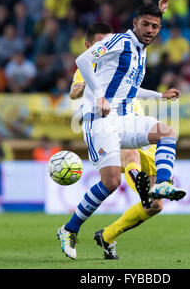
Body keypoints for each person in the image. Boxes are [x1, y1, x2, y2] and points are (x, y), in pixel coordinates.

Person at [58, 0, 186, 260]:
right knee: (111, 182)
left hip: (126, 116)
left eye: (155, 27)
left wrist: (159, 96)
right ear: (134, 23)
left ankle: (162, 184)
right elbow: (82, 60)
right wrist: (99, 95)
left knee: (168, 132)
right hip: (101, 119)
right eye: (146, 25)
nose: (151, 30)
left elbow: (129, 89)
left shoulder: (140, 48)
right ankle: (69, 229)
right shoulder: (120, 41)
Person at [69, 21, 163, 259]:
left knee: (156, 206)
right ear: (90, 46)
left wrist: (160, 95)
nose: (106, 46)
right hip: (112, 123)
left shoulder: (125, 52)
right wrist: (84, 90)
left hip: (136, 120)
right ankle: (138, 185)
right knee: (129, 158)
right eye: (100, 43)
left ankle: (108, 235)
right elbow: (74, 90)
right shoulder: (90, 64)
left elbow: (146, 32)